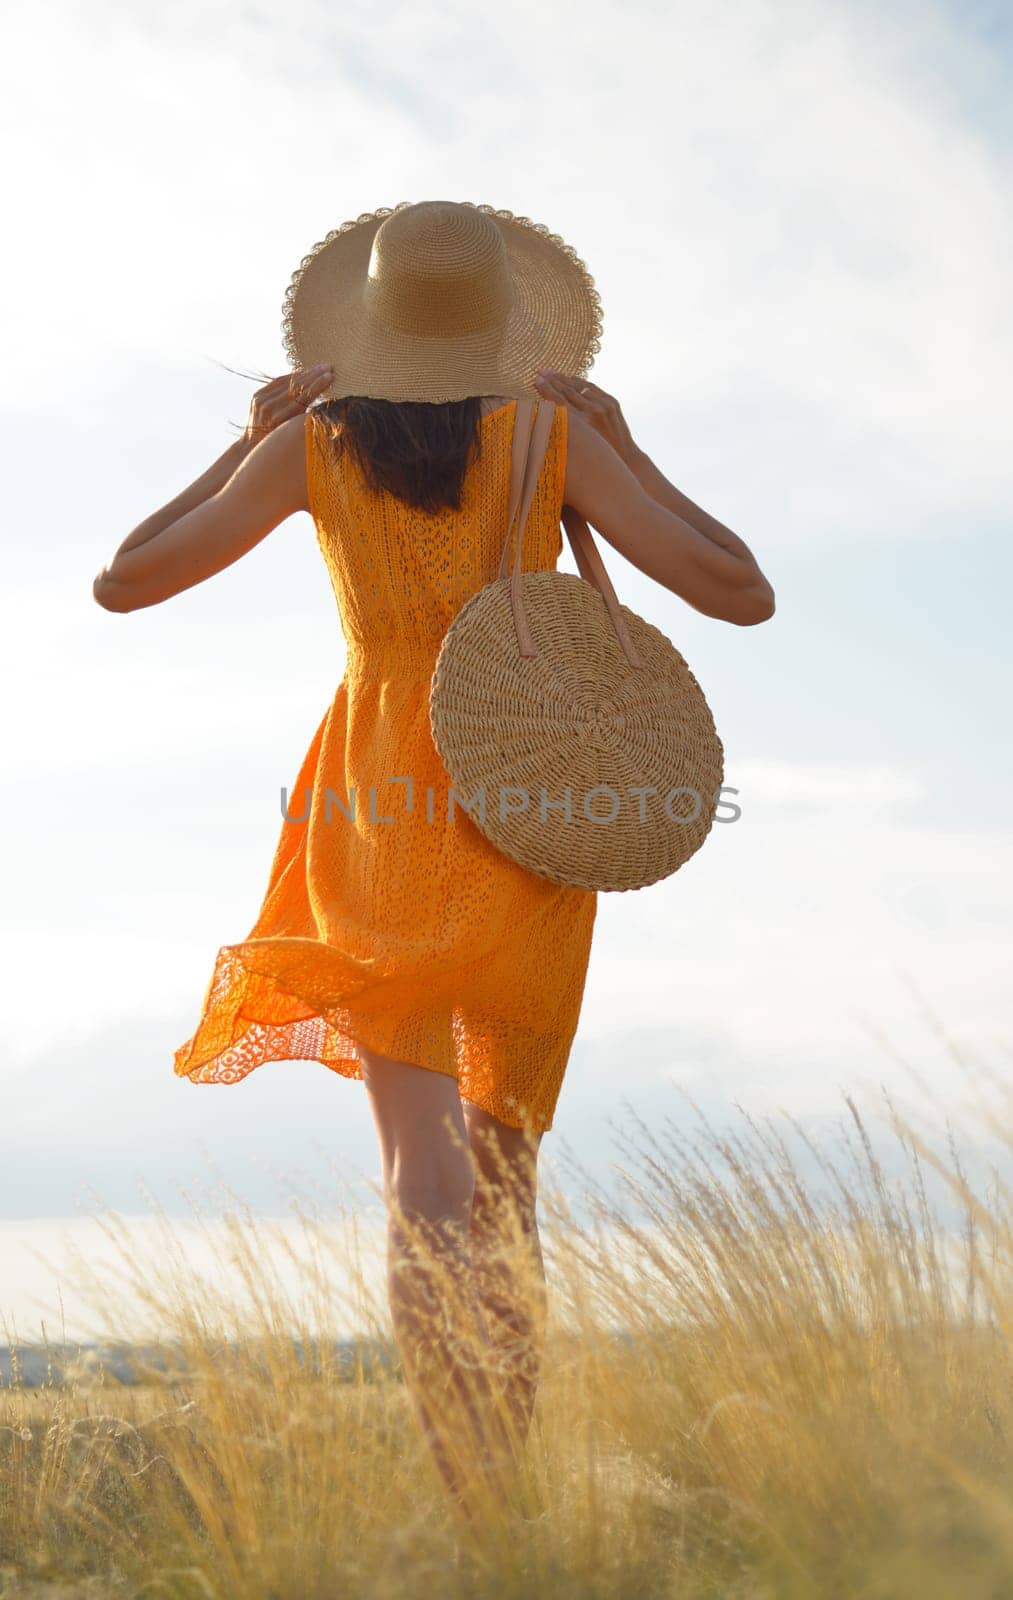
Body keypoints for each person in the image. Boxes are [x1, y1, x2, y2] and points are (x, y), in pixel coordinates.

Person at [92, 200, 775, 1530]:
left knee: (420, 1169)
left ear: (372, 329)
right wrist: (628, 446)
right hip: (520, 784)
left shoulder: (312, 450)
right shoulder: (553, 437)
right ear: (507, 329)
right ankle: (498, 1500)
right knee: (504, 1171)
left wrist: (242, 447)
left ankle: (459, 1501)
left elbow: (125, 582)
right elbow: (736, 588)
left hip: (369, 791)